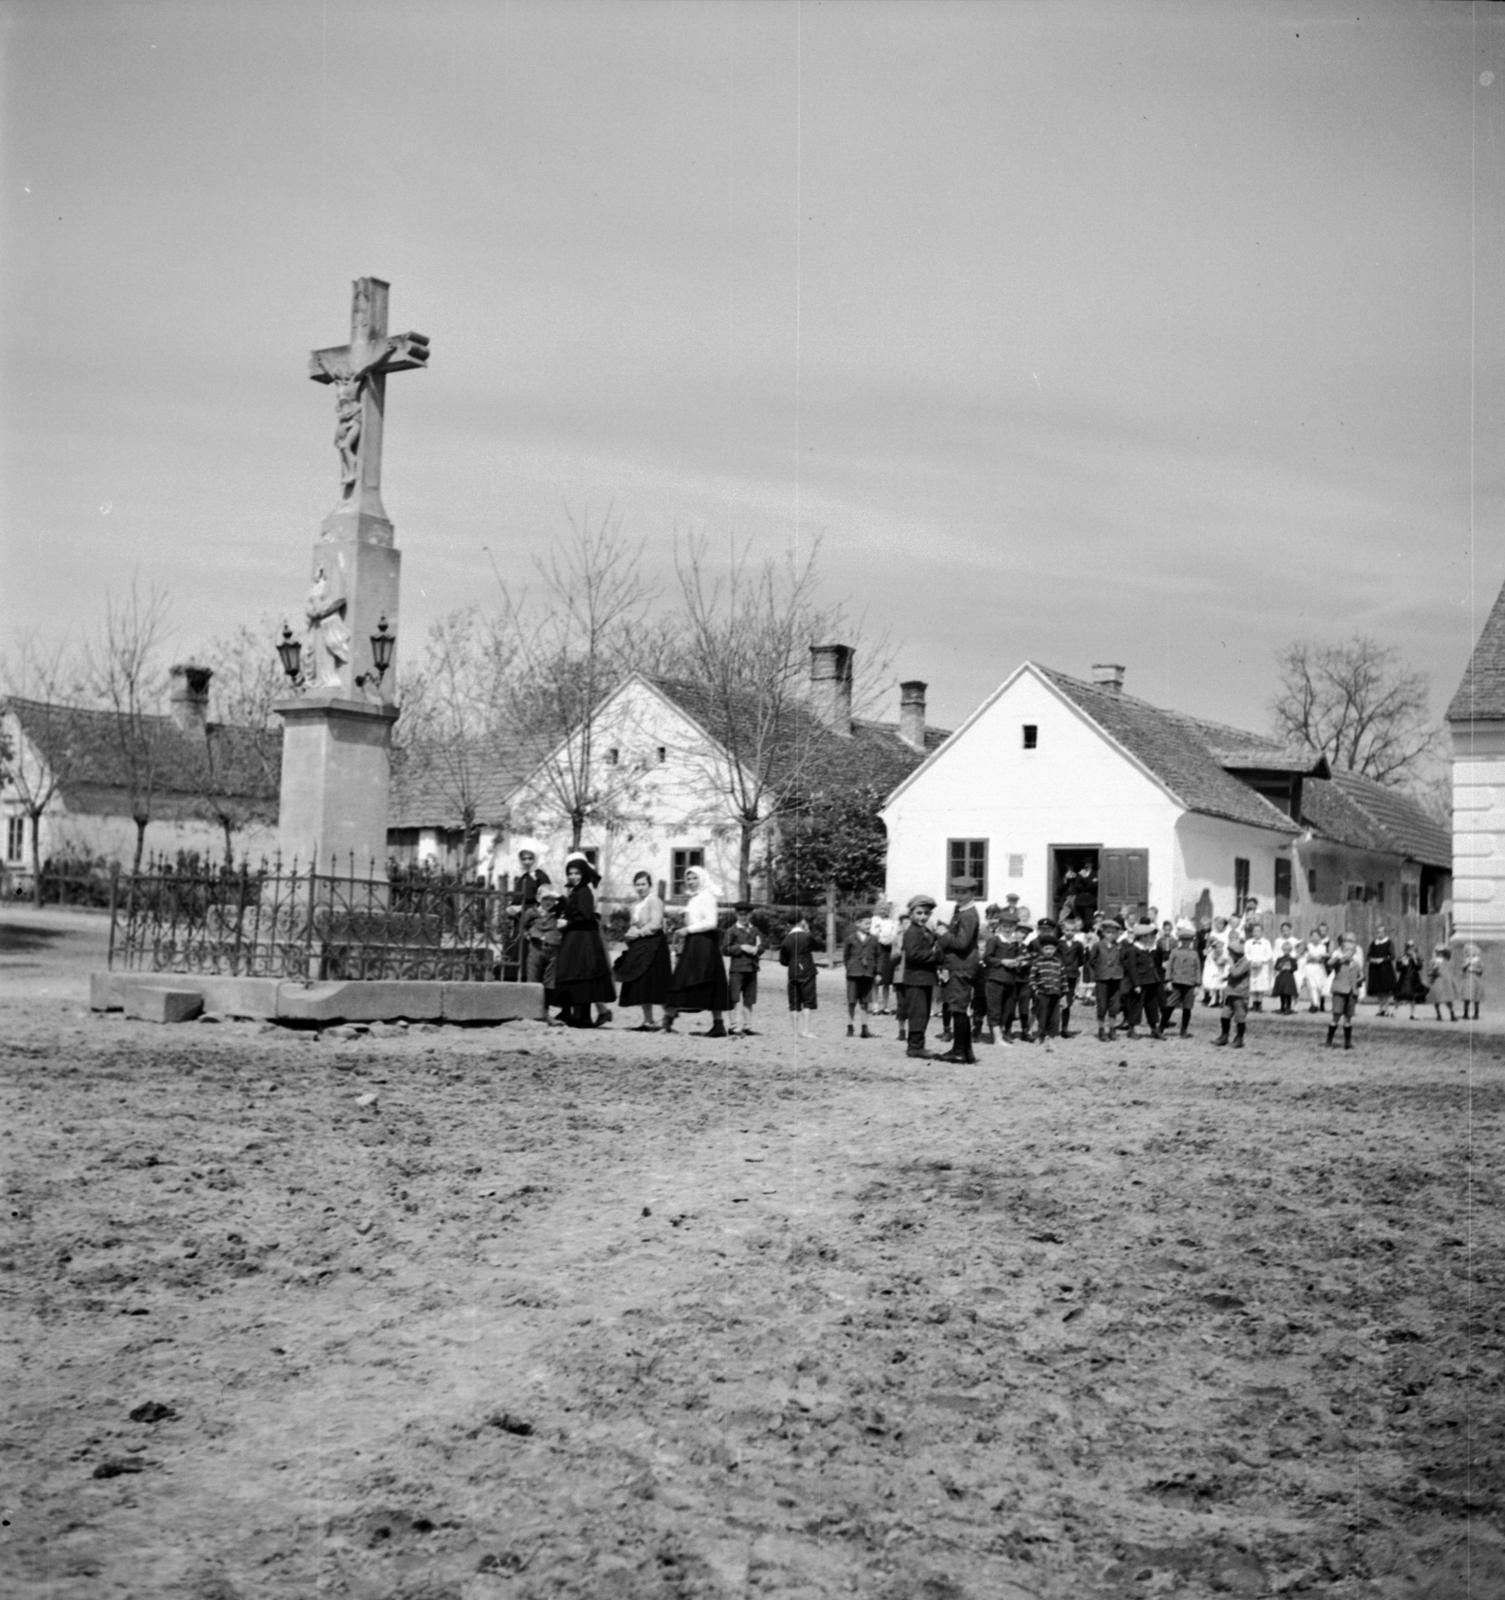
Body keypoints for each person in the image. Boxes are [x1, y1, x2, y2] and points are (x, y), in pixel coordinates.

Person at [664, 866, 729, 1036]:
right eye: (688, 879)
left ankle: (718, 1024)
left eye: (694, 878)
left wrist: (688, 930)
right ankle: (668, 1021)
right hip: (694, 942)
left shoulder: (707, 897)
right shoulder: (695, 898)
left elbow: (711, 922)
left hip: (705, 944)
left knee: (708, 980)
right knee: (682, 978)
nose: (691, 882)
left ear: (702, 879)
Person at [552, 855, 616, 1027]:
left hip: (582, 938)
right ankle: (577, 1015)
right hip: (575, 937)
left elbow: (586, 916)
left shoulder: (584, 892)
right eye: (570, 873)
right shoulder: (576, 891)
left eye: (577, 873)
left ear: (584, 874)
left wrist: (568, 923)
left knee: (583, 975)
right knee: (575, 974)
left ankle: (584, 1017)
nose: (573, 877)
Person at [933, 878, 982, 1063]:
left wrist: (943, 934)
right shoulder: (961, 911)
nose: (958, 896)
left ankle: (960, 1051)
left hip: (962, 965)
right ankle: (964, 1050)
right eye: (956, 892)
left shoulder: (969, 914)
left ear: (972, 893)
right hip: (958, 964)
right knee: (957, 1008)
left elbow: (962, 943)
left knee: (958, 1008)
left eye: (963, 892)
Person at [617, 870, 672, 1030]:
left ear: (649, 885)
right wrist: (630, 932)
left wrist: (638, 933)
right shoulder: (635, 904)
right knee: (641, 983)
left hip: (654, 945)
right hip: (640, 945)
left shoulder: (654, 900)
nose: (640, 887)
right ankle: (648, 1020)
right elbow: (635, 923)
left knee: (656, 983)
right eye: (638, 884)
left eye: (643, 884)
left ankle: (669, 1013)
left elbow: (655, 924)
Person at [898, 896, 940, 1058]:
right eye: (919, 913)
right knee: (918, 1012)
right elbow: (913, 955)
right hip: (916, 978)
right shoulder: (912, 932)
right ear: (911, 914)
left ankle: (918, 1044)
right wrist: (934, 955)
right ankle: (914, 1047)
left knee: (923, 1012)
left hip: (925, 977)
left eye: (926, 913)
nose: (923, 917)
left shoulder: (926, 931)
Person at [508, 848, 552, 980]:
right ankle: (513, 978)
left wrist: (522, 908)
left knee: (529, 951)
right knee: (516, 949)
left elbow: (546, 900)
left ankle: (529, 980)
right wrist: (511, 908)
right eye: (523, 859)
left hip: (533, 920)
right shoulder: (524, 876)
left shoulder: (541, 876)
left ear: (536, 858)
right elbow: (518, 897)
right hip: (520, 919)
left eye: (530, 858)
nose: (527, 862)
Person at [722, 901, 765, 1037]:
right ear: (736, 915)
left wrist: (757, 949)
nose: (743, 918)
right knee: (734, 997)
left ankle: (748, 1025)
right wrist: (741, 947)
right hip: (737, 969)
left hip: (752, 968)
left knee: (749, 998)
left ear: (750, 915)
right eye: (740, 915)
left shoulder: (755, 930)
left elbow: (762, 945)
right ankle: (733, 1026)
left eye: (746, 915)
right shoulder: (732, 931)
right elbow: (725, 949)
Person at [779, 908, 823, 1040]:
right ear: (801, 921)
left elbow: (783, 960)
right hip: (807, 969)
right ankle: (806, 1030)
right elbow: (818, 945)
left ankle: (795, 1032)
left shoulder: (786, 939)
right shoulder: (807, 936)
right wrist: (808, 930)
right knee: (808, 1001)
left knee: (794, 1001)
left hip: (792, 970)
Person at [1084, 916, 1126, 1041]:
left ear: (1117, 934)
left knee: (1114, 1005)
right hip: (1102, 978)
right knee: (1102, 1005)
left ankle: (1112, 1029)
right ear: (1103, 933)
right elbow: (1092, 961)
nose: (1110, 935)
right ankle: (1101, 1029)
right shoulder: (1097, 945)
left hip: (1116, 977)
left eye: (1113, 933)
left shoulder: (1119, 946)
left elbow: (1123, 960)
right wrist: (1099, 971)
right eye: (1108, 932)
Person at [1122, 920, 1165, 1040]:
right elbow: (1132, 968)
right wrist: (1136, 984)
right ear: (1142, 937)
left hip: (1151, 981)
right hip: (1140, 982)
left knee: (1152, 1006)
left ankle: (1154, 1028)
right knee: (1136, 1006)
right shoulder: (1133, 950)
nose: (1152, 938)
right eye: (1150, 936)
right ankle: (1132, 1029)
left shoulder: (1148, 949)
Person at [1030, 924, 1068, 1049]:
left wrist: (1064, 994)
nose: (1049, 951)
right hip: (1042, 993)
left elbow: (1063, 979)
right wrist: (1035, 989)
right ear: (1041, 949)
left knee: (1054, 1017)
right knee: (1042, 1016)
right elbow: (1032, 977)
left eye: (1051, 949)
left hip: (1056, 994)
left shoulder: (1058, 962)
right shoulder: (1038, 962)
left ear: (1055, 949)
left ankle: (1051, 1037)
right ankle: (1040, 1036)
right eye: (1046, 949)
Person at [842, 912, 880, 1038]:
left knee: (865, 1002)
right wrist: (851, 968)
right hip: (854, 973)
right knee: (851, 1001)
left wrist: (877, 972)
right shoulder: (850, 939)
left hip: (868, 973)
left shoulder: (874, 939)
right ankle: (850, 1026)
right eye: (866, 923)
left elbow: (878, 957)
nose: (868, 926)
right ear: (858, 924)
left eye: (870, 923)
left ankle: (864, 1028)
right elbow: (846, 956)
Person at [1325, 933, 1364, 1049]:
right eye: (1346, 949)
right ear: (1341, 950)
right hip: (1339, 991)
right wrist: (1340, 958)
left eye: (1351, 950)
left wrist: (1359, 981)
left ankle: (1348, 1042)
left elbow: (1361, 976)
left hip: (1351, 992)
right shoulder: (1338, 960)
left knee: (1348, 1017)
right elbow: (1329, 964)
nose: (1349, 952)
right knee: (1336, 1016)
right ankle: (1329, 1040)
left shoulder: (1355, 964)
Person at [1164, 920, 1202, 1037]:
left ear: (1191, 941)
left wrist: (1197, 985)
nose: (1186, 943)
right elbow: (1169, 966)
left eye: (1188, 940)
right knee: (1170, 1005)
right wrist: (1168, 980)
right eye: (1183, 940)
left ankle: (1183, 1030)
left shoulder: (1194, 954)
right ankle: (1161, 1027)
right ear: (1180, 941)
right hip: (1177, 982)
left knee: (1187, 1008)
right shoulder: (1175, 952)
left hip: (1190, 984)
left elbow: (1197, 969)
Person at [1214, 933, 1251, 1048]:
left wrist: (1230, 963)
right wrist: (1225, 978)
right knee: (1224, 1016)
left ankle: (1239, 1038)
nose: (1229, 955)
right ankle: (1224, 1036)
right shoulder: (1236, 962)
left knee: (1240, 1018)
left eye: (1231, 953)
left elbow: (1236, 973)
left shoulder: (1245, 963)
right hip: (1230, 993)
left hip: (1240, 995)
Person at [870, 900, 900, 1015]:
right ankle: (875, 1005)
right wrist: (880, 937)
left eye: (886, 909)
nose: (883, 910)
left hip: (887, 950)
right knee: (876, 980)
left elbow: (893, 935)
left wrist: (886, 939)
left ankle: (885, 1005)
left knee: (887, 980)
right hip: (877, 950)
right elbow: (873, 933)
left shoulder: (892, 922)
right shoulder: (874, 920)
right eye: (881, 908)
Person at [1365, 924, 1398, 1017]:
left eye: (1381, 932)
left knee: (1386, 990)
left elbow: (1392, 956)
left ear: (1385, 933)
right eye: (1378, 931)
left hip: (1385, 969)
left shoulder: (1389, 942)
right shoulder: (1373, 943)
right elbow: (1368, 956)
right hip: (1375, 969)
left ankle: (1386, 1009)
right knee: (1378, 990)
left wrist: (1383, 959)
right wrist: (1372, 959)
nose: (1379, 933)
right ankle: (1381, 1009)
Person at [1300, 925, 1332, 1013]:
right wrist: (1313, 957)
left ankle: (1317, 1004)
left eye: (1316, 936)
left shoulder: (1322, 946)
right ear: (1310, 937)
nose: (1315, 938)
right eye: (1313, 936)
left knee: (1319, 987)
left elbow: (1321, 958)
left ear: (1319, 937)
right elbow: (1306, 957)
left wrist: (1317, 957)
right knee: (1312, 986)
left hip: (1319, 968)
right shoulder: (1308, 946)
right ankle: (1314, 1004)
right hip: (1309, 968)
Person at [1245, 923, 1274, 1012]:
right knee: (1253, 984)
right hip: (1252, 966)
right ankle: (1254, 1003)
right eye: (1254, 931)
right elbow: (1246, 953)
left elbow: (1269, 954)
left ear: (1262, 932)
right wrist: (1252, 961)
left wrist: (1261, 961)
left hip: (1263, 967)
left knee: (1261, 985)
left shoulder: (1266, 942)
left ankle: (1259, 1003)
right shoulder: (1248, 942)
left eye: (1258, 931)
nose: (1256, 933)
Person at [1272, 923, 1300, 1015]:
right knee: (1282, 991)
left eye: (1287, 930)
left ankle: (1291, 1007)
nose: (1285, 932)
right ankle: (1282, 1007)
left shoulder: (1295, 941)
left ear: (1290, 930)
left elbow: (1297, 956)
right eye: (1283, 930)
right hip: (1281, 974)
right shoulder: (1278, 941)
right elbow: (1275, 956)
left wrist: (1290, 966)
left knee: (1290, 991)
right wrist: (1278, 967)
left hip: (1290, 974)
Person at [1427, 944, 1458, 1023]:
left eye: (1441, 952)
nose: (1439, 953)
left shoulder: (1446, 961)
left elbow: (1449, 970)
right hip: (1437, 981)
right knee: (1437, 999)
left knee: (1448, 999)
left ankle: (1452, 1014)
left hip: (1445, 982)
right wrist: (1433, 971)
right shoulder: (1432, 961)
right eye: (1438, 952)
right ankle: (1438, 1014)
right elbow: (1429, 972)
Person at [1396, 940, 1427, 1019]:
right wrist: (1403, 964)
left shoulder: (1417, 957)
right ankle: (1395, 1012)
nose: (1410, 949)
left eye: (1412, 947)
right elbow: (1398, 969)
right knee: (1400, 996)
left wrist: (1415, 959)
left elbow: (1420, 967)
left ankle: (1412, 1013)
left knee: (1413, 996)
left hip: (1414, 979)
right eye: (1409, 947)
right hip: (1404, 979)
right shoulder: (1403, 957)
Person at [1461, 943, 1485, 1021]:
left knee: (1476, 998)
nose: (1470, 953)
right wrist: (1466, 964)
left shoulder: (1478, 960)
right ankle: (1465, 1013)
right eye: (1469, 951)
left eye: (1472, 951)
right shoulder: (1466, 960)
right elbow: (1462, 969)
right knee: (1467, 997)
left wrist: (1474, 970)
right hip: (1467, 980)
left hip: (1476, 980)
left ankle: (1476, 1013)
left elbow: (1481, 970)